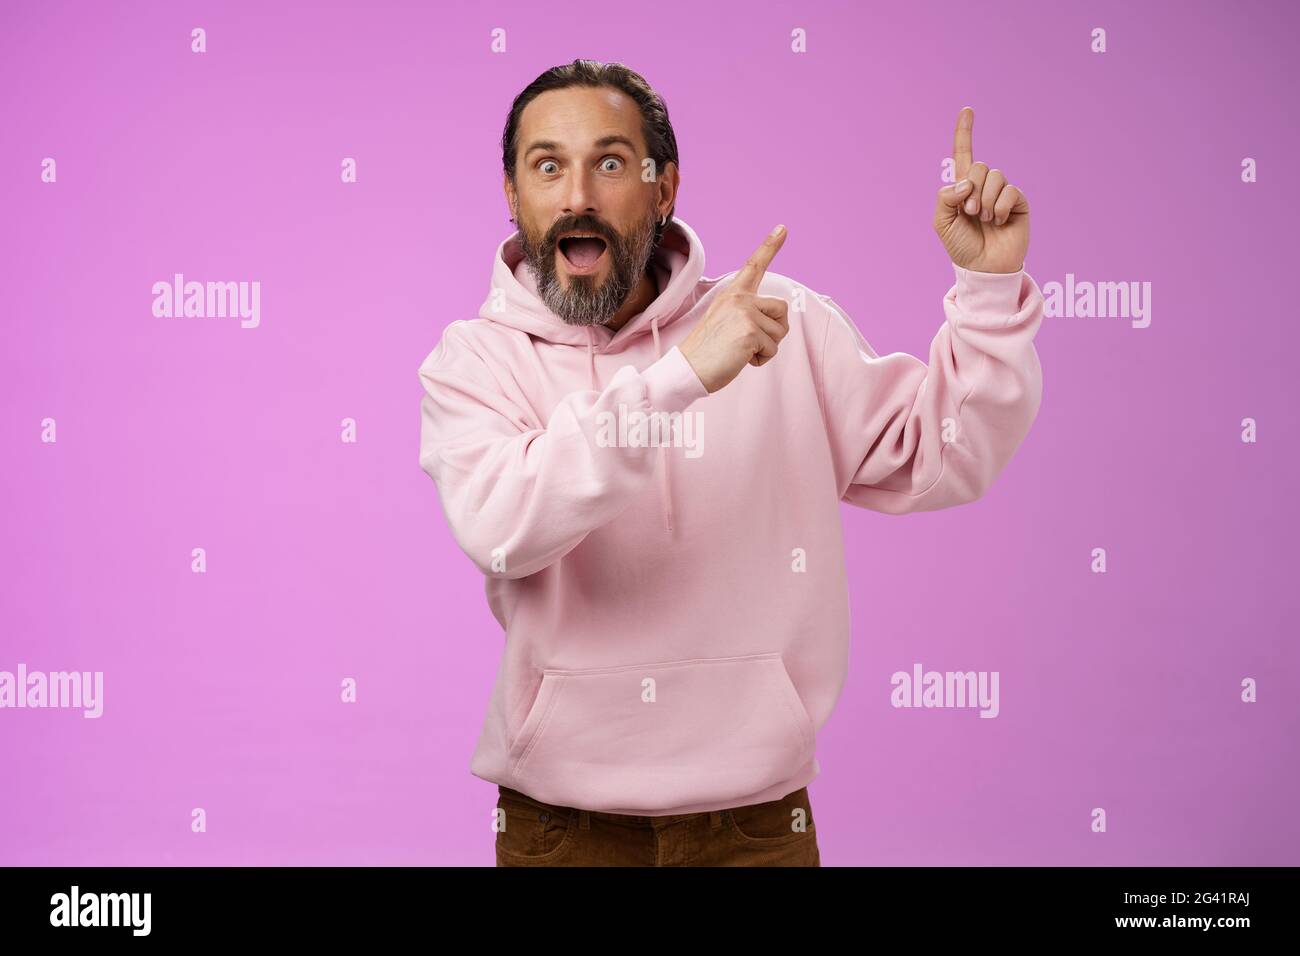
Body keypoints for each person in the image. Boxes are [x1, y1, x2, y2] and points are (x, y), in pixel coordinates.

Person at [417, 59, 1043, 866]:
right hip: (561, 831)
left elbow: (942, 458)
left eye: (610, 163)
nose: (577, 196)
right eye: (548, 167)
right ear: (513, 195)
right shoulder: (472, 361)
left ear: (663, 186)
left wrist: (989, 288)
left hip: (755, 829)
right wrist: (683, 377)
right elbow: (502, 527)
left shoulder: (778, 322)